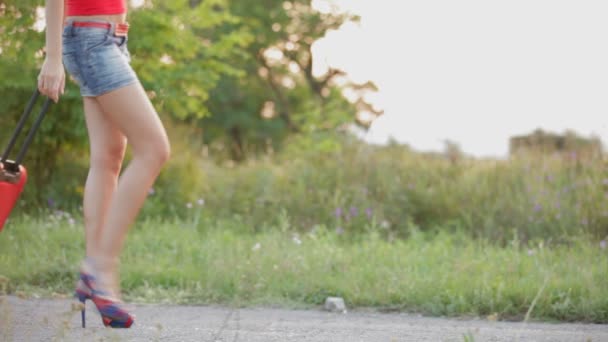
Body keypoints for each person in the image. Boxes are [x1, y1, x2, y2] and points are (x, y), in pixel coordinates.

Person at [37, 0, 171, 328]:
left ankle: (95, 276)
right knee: (154, 149)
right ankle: (100, 266)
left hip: (109, 38)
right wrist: (52, 58)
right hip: (91, 39)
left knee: (108, 157)